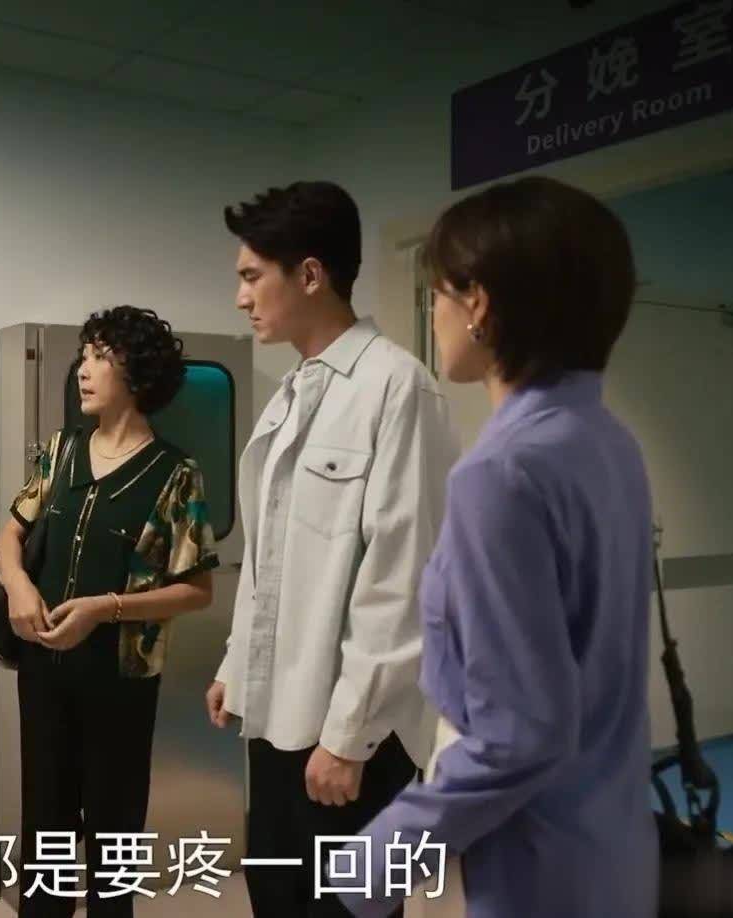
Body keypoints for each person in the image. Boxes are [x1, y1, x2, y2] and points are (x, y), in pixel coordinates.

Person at [332, 176, 659, 918]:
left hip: (537, 864)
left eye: (439, 294)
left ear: (477, 303)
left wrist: (373, 865)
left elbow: (518, 735)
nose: (437, 313)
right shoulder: (609, 443)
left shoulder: (501, 473)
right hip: (612, 845)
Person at [207, 181, 459, 918]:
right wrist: (235, 665)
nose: (241, 298)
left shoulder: (397, 388)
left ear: (311, 274)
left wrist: (350, 737)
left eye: (252, 277)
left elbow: (401, 579)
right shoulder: (292, 393)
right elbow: (269, 559)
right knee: (276, 897)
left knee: (343, 911)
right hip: (277, 716)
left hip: (350, 735)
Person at [0, 305, 220, 918]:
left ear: (138, 374)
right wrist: (17, 585)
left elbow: (198, 589)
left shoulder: (175, 475)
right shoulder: (61, 451)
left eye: (101, 356)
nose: (83, 369)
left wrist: (107, 608)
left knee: (114, 831)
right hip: (45, 672)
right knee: (44, 823)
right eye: (84, 355)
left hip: (121, 679)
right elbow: (12, 533)